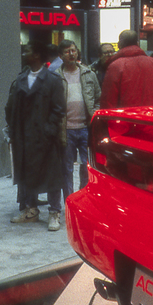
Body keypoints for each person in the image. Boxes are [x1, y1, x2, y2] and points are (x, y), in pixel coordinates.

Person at [6, 41, 66, 231]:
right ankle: (30, 210)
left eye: (28, 51)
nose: (24, 53)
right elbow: (12, 107)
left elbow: (59, 109)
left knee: (52, 176)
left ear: (37, 55)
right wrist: (14, 131)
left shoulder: (53, 80)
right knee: (27, 174)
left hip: (45, 137)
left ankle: (54, 211)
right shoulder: (21, 79)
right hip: (24, 137)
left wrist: (49, 130)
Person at [54, 39, 100, 199]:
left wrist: (94, 113)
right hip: (65, 130)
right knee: (66, 168)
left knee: (87, 166)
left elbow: (98, 97)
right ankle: (69, 199)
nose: (71, 54)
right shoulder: (55, 76)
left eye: (73, 50)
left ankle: (84, 197)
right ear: (60, 56)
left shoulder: (89, 74)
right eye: (67, 52)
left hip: (86, 127)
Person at [100, 30, 153, 109]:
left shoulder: (115, 66)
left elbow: (108, 100)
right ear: (138, 44)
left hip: (128, 115)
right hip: (152, 114)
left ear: (119, 45)